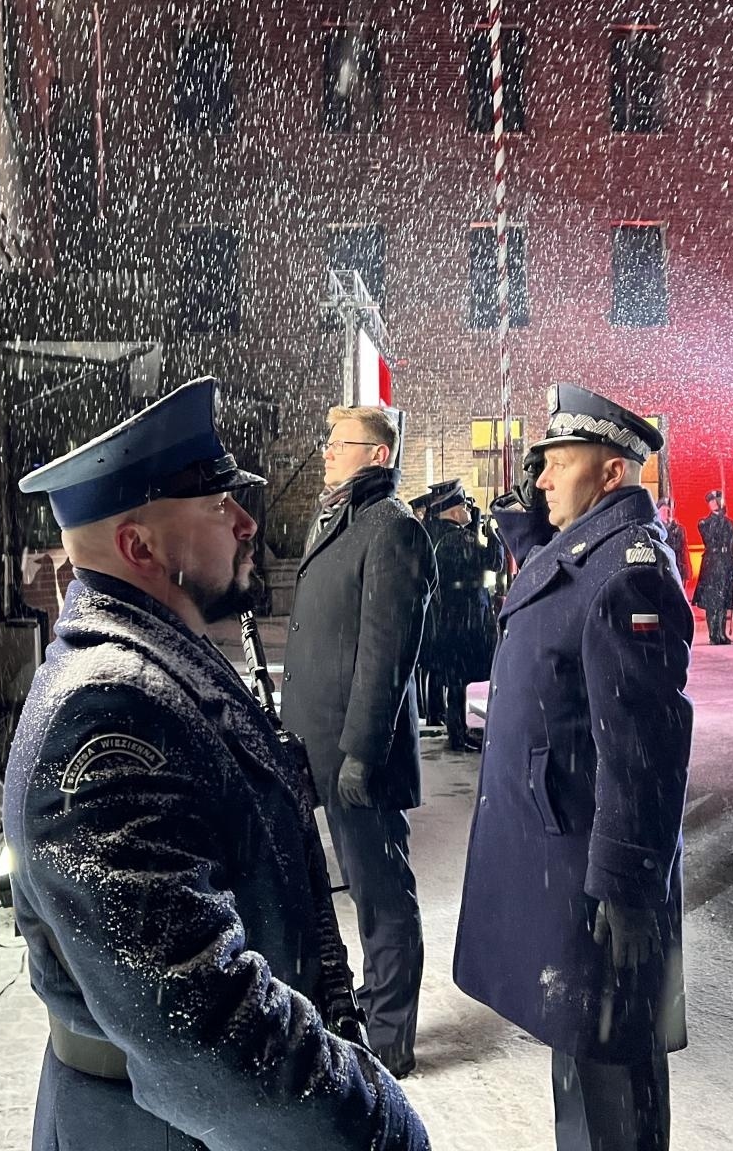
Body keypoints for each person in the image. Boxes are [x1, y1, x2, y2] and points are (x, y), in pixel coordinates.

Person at [5, 378, 430, 1151]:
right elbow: (202, 1027)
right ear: (140, 547)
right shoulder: (106, 714)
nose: (245, 522)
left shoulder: (162, 662)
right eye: (216, 508)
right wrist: (377, 1124)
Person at [455, 383, 693, 1151]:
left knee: (610, 1077)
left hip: (595, 875)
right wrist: (527, 515)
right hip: (565, 858)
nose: (544, 477)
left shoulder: (628, 575)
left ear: (612, 475)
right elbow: (547, 574)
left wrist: (627, 887)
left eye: (558, 464)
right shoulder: (586, 554)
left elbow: (645, 747)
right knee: (582, 1067)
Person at [282, 405, 435, 1080]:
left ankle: (392, 1036)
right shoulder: (344, 520)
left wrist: (362, 753)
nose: (325, 454)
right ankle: (367, 1006)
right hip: (316, 746)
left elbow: (386, 655)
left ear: (377, 456)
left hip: (354, 754)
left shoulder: (391, 529)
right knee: (337, 889)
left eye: (339, 445)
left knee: (380, 893)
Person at [412, 479, 501, 751]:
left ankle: (459, 733)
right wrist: (492, 532)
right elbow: (494, 562)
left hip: (448, 620)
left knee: (456, 683)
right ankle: (471, 733)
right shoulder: (457, 539)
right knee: (474, 680)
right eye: (463, 506)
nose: (467, 509)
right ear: (452, 511)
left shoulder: (432, 535)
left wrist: (473, 525)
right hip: (468, 620)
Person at [693, 489, 733, 645]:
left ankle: (722, 634)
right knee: (712, 602)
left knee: (723, 601)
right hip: (712, 565)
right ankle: (713, 635)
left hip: (726, 564)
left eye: (718, 499)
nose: (715, 503)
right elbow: (709, 538)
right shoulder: (704, 523)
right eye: (712, 501)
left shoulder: (730, 524)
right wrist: (719, 519)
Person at [655, 498, 691, 590]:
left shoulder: (679, 529)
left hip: (677, 567)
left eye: (668, 510)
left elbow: (683, 551)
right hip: (661, 568)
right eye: (663, 510)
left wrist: (687, 571)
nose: (666, 513)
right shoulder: (655, 529)